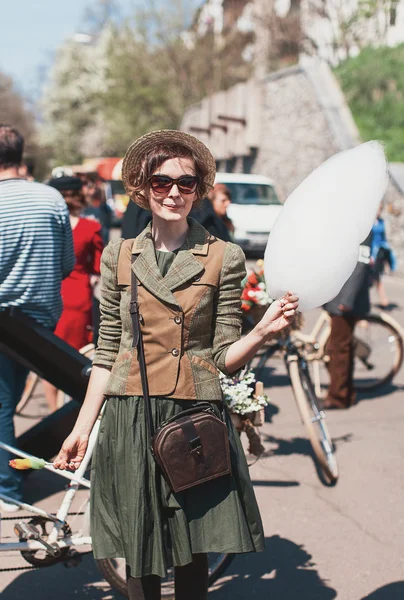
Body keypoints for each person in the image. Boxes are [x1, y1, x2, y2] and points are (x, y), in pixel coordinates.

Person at [53, 130, 298, 600]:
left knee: (192, 551)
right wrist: (83, 427)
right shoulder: (120, 256)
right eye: (162, 181)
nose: (173, 193)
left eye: (186, 183)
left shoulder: (223, 256)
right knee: (138, 548)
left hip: (193, 415)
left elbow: (223, 357)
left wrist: (262, 331)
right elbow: (107, 352)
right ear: (142, 189)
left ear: (199, 190)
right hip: (128, 418)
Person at [0, 125, 75, 511]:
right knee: (9, 399)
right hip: (40, 318)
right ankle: (16, 468)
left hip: (2, 318)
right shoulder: (50, 198)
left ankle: (8, 489)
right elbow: (66, 263)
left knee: (1, 403)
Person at [43, 176, 104, 412]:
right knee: (78, 359)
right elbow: (98, 268)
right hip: (79, 297)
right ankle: (73, 415)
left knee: (49, 359)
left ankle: (52, 412)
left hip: (54, 292)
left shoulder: (48, 225)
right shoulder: (91, 227)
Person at [323, 233, 372, 409]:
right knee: (340, 346)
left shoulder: (362, 227)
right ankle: (346, 391)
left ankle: (338, 396)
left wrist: (347, 300)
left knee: (338, 348)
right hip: (340, 296)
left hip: (345, 299)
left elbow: (361, 264)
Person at [370, 203, 396, 309]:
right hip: (370, 254)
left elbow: (383, 238)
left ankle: (383, 299)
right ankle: (383, 299)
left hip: (379, 254)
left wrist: (388, 256)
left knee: (376, 278)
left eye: (380, 209)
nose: (378, 211)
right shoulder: (368, 223)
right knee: (371, 279)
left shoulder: (381, 222)